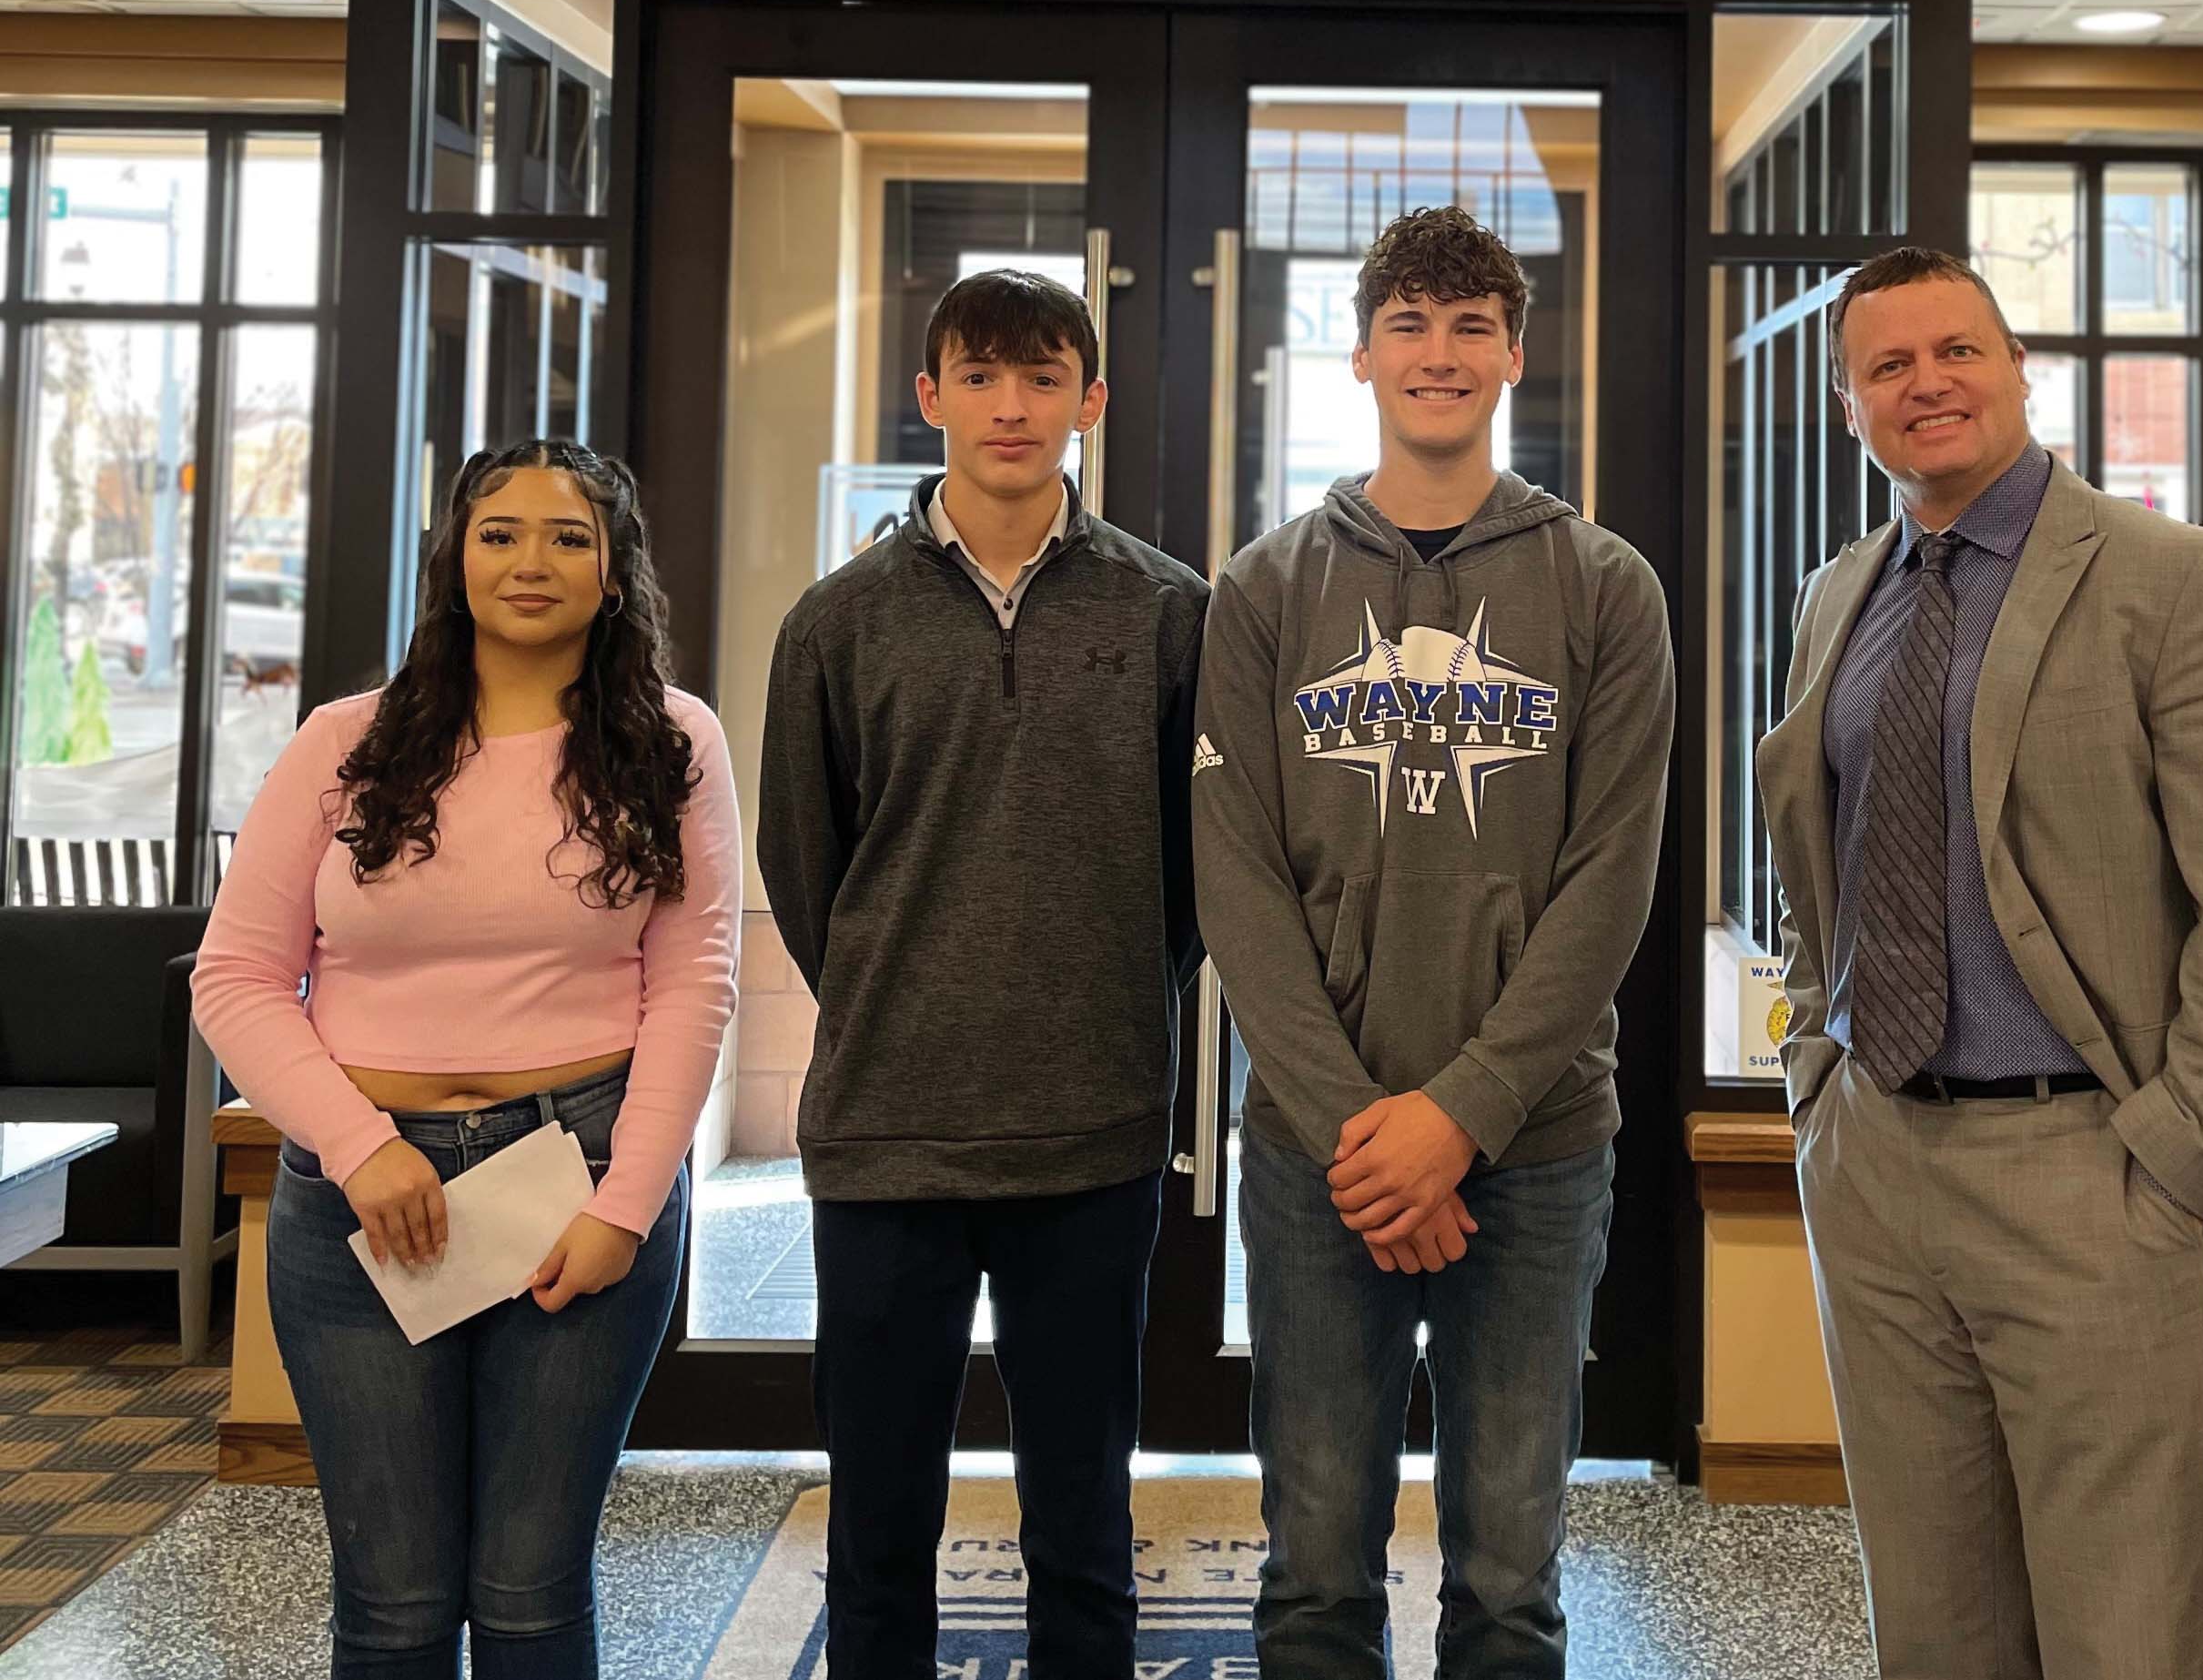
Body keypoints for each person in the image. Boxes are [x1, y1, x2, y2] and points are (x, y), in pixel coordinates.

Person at [1756, 244, 2203, 1679]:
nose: (1926, 383)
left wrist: (2181, 1155)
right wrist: (1815, 1080)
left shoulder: (2174, 582)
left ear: (2018, 370)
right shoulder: (1841, 598)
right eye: (1888, 365)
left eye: (1957, 350)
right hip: (1878, 1169)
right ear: (1849, 406)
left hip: (2092, 1175)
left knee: (2124, 1635)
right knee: (1936, 1633)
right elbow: (1817, 865)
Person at [1193, 207, 1674, 1679]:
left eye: (1472, 325)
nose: (1441, 352)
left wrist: (1457, 1120)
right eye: (1410, 322)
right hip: (1314, 1154)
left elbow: (1610, 882)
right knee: (1315, 1566)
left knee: (1512, 1579)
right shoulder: (1263, 591)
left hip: (1530, 1150)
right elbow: (1237, 883)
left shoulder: (1606, 588)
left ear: (1515, 355)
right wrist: (1367, 1131)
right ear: (1361, 355)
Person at [193, 439, 740, 1676]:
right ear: (453, 561)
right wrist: (361, 1145)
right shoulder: (349, 742)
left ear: (613, 572)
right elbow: (233, 975)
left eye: (566, 535)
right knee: (391, 1599)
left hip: (580, 1180)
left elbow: (695, 985)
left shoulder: (672, 743)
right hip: (362, 1205)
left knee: (531, 1588)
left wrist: (625, 1206)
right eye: (498, 533)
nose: (529, 560)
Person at [757, 268, 1209, 1676]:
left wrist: (1100, 986)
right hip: (891, 1132)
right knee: (878, 1519)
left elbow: (1196, 875)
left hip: (1094, 1129)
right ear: (931, 395)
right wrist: (915, 992)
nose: (1011, 406)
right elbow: (803, 865)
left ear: (1091, 400)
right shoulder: (835, 622)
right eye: (981, 374)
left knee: (1082, 1510)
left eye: (1042, 376)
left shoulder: (1168, 609)